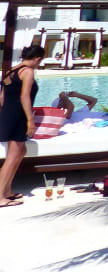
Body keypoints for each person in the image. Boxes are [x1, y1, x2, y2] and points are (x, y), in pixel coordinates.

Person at [0, 45, 44, 207]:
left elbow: (2, 98)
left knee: (21, 151)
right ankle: (0, 196)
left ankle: (7, 191)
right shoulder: (28, 72)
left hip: (7, 114)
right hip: (18, 115)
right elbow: (25, 96)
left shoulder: (10, 71)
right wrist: (29, 120)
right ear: (38, 58)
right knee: (12, 156)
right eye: (40, 62)